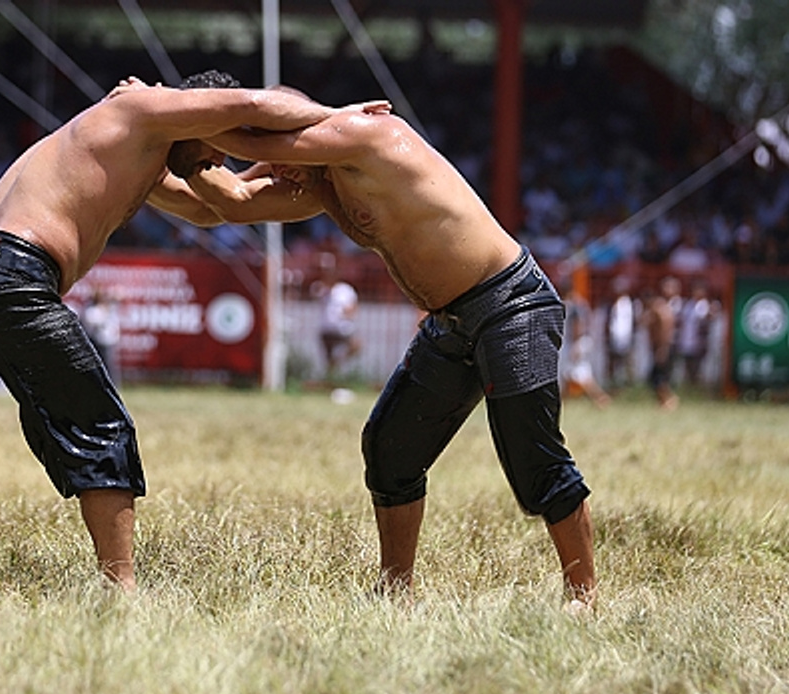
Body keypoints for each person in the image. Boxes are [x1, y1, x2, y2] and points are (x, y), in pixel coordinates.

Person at [0, 70, 348, 591]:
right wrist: (345, 124)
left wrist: (300, 178)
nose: (217, 164)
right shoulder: (143, 110)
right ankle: (121, 589)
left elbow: (215, 207)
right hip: (9, 272)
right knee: (100, 425)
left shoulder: (138, 147)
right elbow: (254, 103)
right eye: (218, 150)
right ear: (201, 112)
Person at [175, 90, 597, 610]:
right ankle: (396, 592)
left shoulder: (363, 135)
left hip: (512, 303)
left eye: (277, 156)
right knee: (390, 448)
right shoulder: (322, 180)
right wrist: (171, 166)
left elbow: (244, 130)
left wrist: (172, 117)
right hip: (452, 321)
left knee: (532, 457)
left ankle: (584, 595)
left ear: (294, 136)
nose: (276, 173)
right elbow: (230, 204)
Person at [315, 255, 361, 383]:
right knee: (327, 358)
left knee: (355, 346)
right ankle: (330, 380)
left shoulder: (345, 290)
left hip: (342, 328)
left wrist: (347, 312)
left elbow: (353, 308)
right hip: (327, 328)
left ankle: (337, 365)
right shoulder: (320, 288)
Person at [644, 276, 680, 410]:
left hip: (664, 347)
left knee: (658, 377)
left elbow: (666, 329)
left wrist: (662, 348)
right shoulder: (663, 306)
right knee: (657, 376)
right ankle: (664, 402)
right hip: (660, 346)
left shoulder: (662, 308)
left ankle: (669, 400)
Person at [676, 281, 714, 388]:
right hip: (686, 341)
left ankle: (698, 391)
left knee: (698, 369)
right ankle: (689, 390)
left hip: (699, 344)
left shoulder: (706, 306)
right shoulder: (689, 304)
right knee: (687, 369)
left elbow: (708, 322)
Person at [82, 288, 122, 387]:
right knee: (99, 366)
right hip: (97, 340)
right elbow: (92, 320)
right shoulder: (93, 309)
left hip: (108, 341)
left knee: (109, 366)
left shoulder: (109, 307)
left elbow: (119, 296)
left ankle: (113, 385)